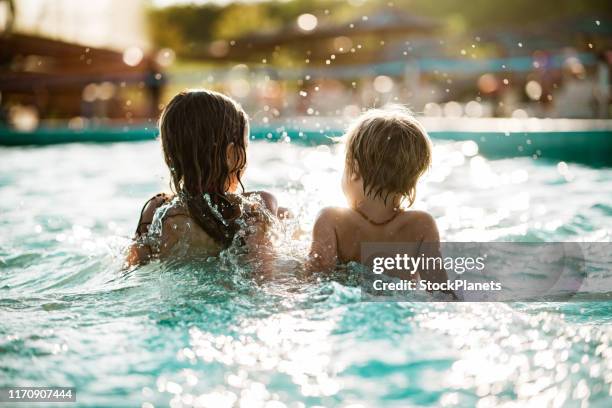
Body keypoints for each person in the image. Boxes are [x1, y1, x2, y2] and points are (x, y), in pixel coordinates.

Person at [126, 89, 283, 266]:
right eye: (245, 146)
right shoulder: (256, 206)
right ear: (230, 155)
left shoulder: (157, 211)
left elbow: (130, 269)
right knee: (287, 216)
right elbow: (263, 278)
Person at [309, 106, 451, 288]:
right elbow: (441, 291)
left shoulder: (332, 220)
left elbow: (314, 283)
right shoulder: (421, 225)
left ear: (355, 169)